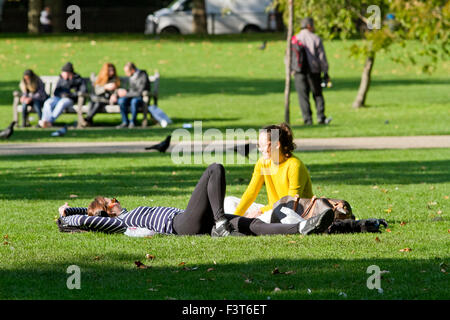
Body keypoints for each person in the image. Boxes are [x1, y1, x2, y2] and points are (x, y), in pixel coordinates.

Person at [58, 163, 333, 236]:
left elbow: (94, 214)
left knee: (252, 226)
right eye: (112, 200)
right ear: (108, 212)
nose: (117, 200)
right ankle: (221, 221)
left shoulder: (124, 214)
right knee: (215, 169)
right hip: (182, 224)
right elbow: (88, 220)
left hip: (192, 222)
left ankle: (300, 228)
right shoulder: (120, 222)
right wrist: (67, 214)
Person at [224, 123, 313, 222]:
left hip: (293, 213)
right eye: (259, 145)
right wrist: (235, 216)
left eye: (262, 145)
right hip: (272, 209)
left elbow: (290, 203)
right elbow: (251, 192)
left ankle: (247, 223)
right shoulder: (263, 163)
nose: (260, 149)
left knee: (272, 216)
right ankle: (238, 222)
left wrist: (262, 211)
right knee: (228, 201)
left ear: (276, 145)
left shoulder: (294, 165)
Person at [293, 17, 331, 125]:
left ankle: (307, 119)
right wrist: (325, 71)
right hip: (313, 71)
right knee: (317, 94)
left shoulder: (295, 38)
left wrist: (292, 70)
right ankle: (321, 117)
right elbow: (321, 56)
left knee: (303, 97)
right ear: (309, 26)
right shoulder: (315, 38)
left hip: (298, 71)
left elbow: (288, 56)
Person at [39, 62, 87, 128]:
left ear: (69, 73)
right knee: (48, 102)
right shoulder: (61, 79)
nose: (62, 74)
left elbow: (83, 91)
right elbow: (55, 91)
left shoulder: (78, 80)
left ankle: (49, 121)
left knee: (61, 103)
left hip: (70, 99)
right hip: (59, 97)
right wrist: (61, 94)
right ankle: (44, 121)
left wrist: (70, 94)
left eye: (64, 72)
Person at [116, 62, 150, 129]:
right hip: (130, 96)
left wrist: (126, 94)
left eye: (127, 71)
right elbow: (130, 89)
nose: (126, 74)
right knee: (121, 101)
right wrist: (123, 91)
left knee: (134, 102)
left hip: (140, 97)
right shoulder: (131, 76)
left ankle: (132, 122)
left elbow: (140, 91)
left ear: (132, 70)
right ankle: (125, 122)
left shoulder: (143, 75)